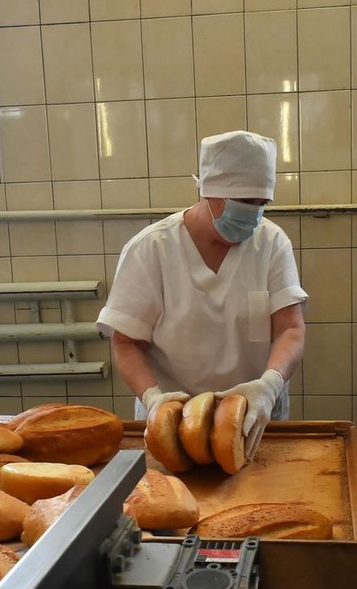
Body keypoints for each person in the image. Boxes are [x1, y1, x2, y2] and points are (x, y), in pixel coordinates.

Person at [96, 130, 308, 459]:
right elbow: (126, 342)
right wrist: (153, 399)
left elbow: (290, 329)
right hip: (173, 429)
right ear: (208, 191)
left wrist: (269, 386)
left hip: (249, 423)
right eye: (244, 203)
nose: (253, 214)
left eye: (261, 203)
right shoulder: (152, 249)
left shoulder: (271, 243)